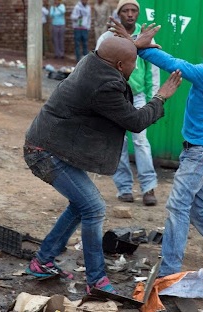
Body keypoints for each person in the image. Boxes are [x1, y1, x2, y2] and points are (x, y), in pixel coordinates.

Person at [110, 0, 203, 280]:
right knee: (196, 210)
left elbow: (175, 65)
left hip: (201, 154)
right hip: (199, 151)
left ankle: (168, 273)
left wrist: (139, 46)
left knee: (178, 205)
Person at [23, 36, 182, 293]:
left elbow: (110, 49)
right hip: (45, 152)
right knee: (94, 207)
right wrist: (161, 97)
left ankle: (42, 262)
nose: (135, 67)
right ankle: (96, 281)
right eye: (133, 62)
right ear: (120, 65)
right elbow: (135, 121)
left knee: (81, 205)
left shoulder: (94, 59)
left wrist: (133, 45)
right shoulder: (103, 86)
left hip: (52, 144)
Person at [96, 0, 161, 206]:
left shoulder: (143, 38)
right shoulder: (107, 38)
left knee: (141, 142)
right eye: (126, 10)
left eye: (134, 10)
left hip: (139, 97)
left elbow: (153, 71)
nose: (130, 14)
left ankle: (148, 188)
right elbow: (98, 67)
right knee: (119, 143)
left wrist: (155, 99)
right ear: (119, 13)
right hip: (115, 98)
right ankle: (124, 188)